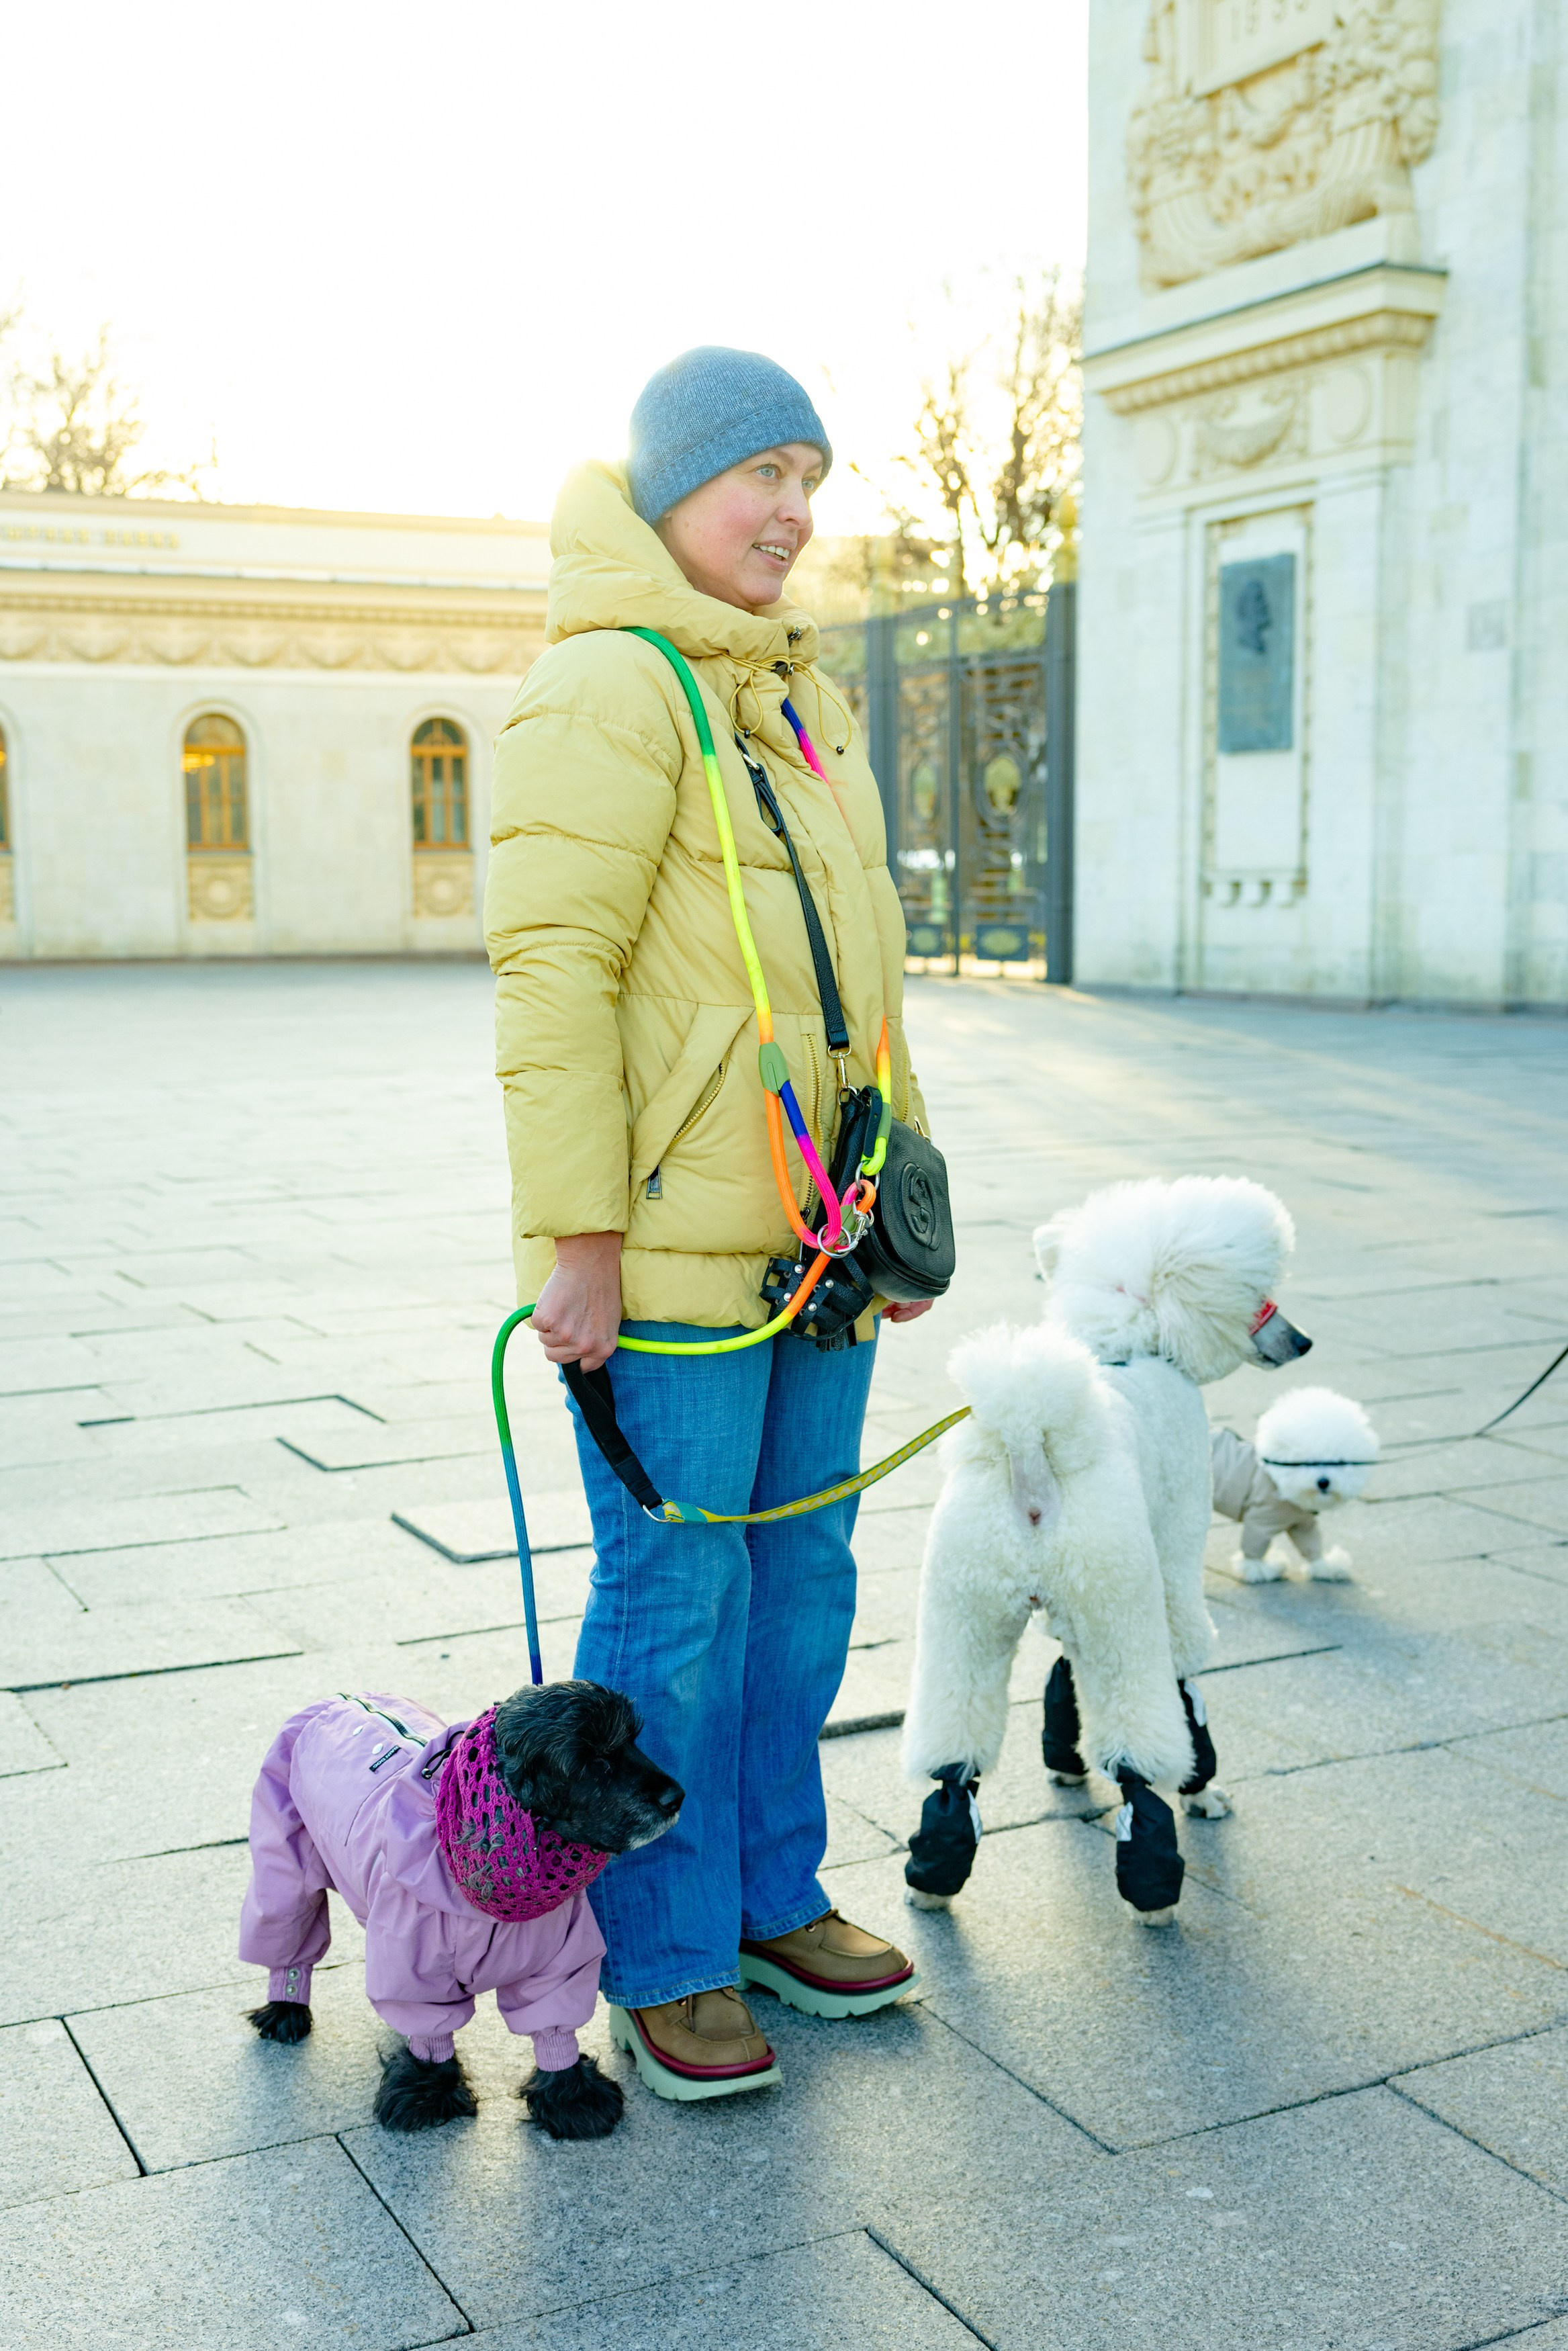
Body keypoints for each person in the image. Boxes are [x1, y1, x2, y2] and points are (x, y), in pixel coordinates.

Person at [484, 347, 935, 2103]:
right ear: (673, 486)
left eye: (812, 475)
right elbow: (554, 979)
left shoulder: (801, 702)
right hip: (674, 1249)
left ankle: (768, 1894)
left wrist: (905, 1196)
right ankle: (662, 1948)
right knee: (678, 1594)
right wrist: (579, 1239)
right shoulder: (610, 684)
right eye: (762, 471)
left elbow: (867, 982)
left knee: (804, 1583)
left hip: (822, 1245)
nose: (794, 509)